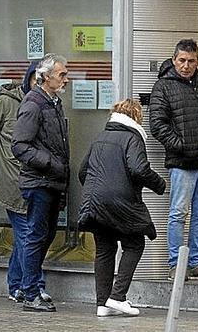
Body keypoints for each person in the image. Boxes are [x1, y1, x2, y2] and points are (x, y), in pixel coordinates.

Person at [78, 99, 166, 318]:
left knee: (105, 250)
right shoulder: (132, 138)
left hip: (95, 202)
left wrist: (97, 190)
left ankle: (102, 304)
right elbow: (139, 169)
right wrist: (159, 184)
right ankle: (117, 296)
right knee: (135, 244)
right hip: (120, 201)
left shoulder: (101, 136)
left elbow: (83, 171)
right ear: (136, 117)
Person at [148, 39, 198, 282]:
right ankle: (175, 264)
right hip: (182, 162)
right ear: (174, 59)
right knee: (178, 213)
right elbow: (158, 125)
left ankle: (196, 263)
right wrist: (182, 146)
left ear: (197, 61)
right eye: (182, 60)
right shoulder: (164, 86)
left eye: (191, 61)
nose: (186, 65)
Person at [0, 61, 48, 303]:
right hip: (12, 182)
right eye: (35, 80)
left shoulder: (46, 105)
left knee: (28, 235)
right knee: (28, 234)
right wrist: (1, 162)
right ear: (29, 79)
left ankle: (16, 284)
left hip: (37, 180)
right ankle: (34, 285)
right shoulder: (6, 103)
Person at [11, 53, 70, 313]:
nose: (66, 79)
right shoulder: (34, 104)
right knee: (36, 235)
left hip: (53, 181)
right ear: (45, 78)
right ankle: (31, 291)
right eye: (62, 75)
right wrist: (50, 163)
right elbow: (19, 146)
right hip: (39, 181)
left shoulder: (53, 102)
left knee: (45, 235)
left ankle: (29, 285)